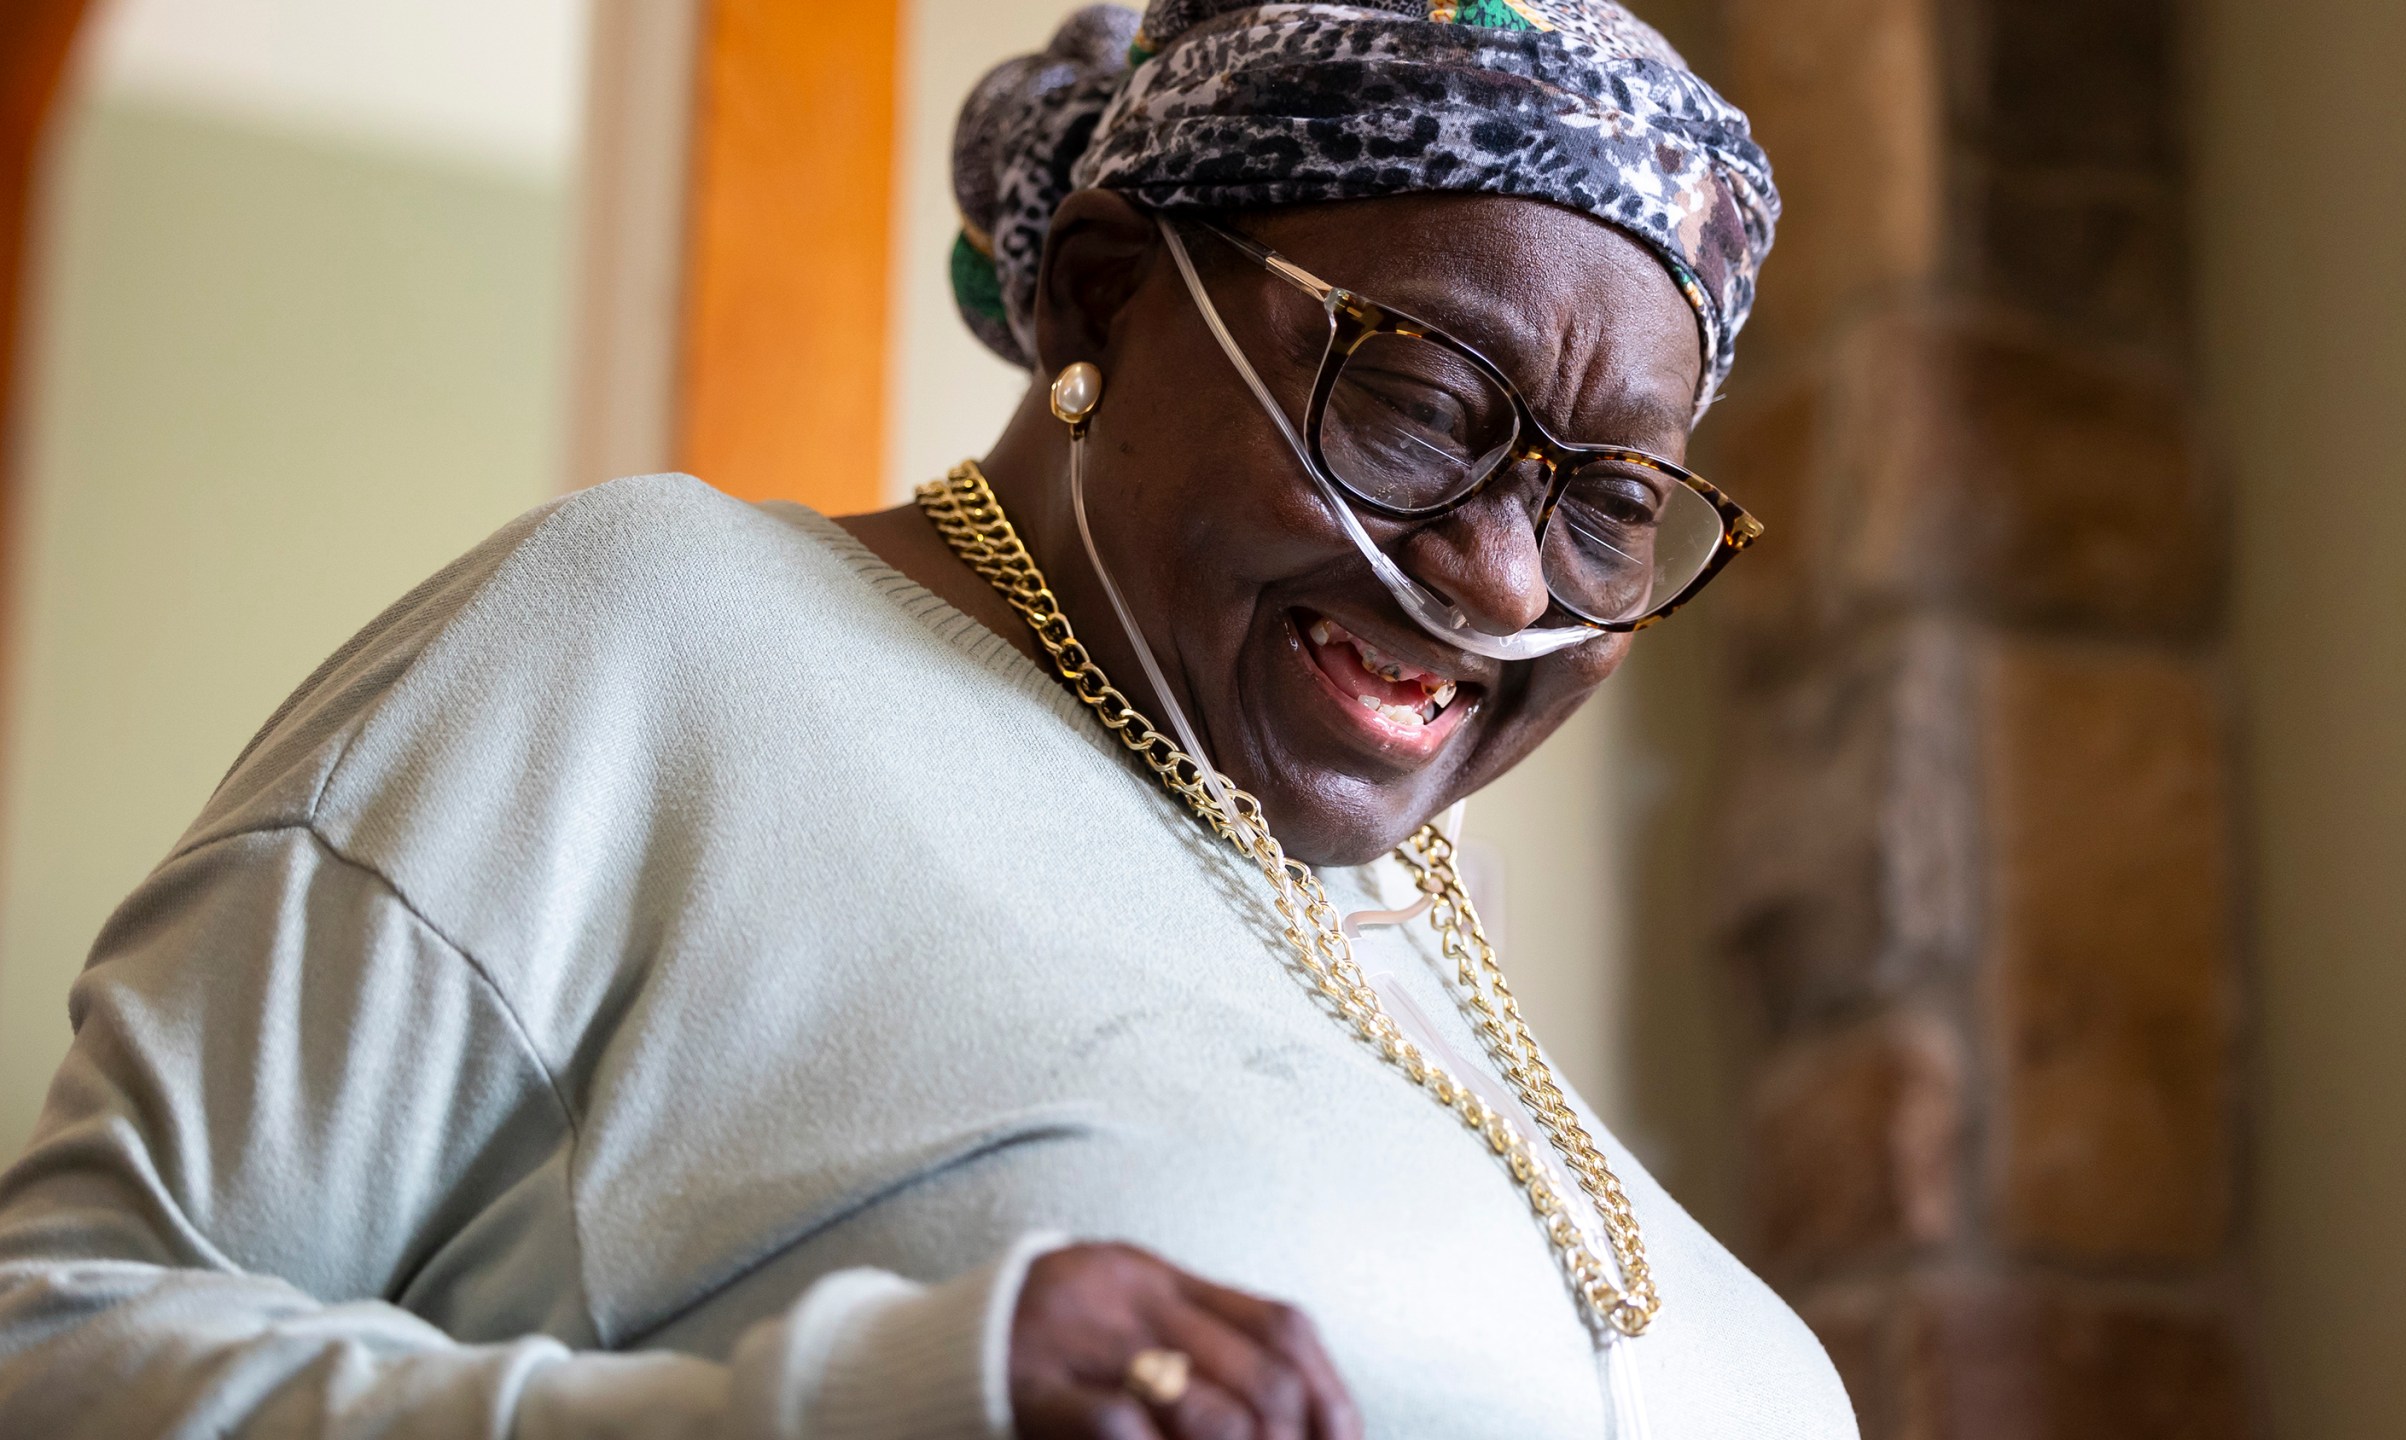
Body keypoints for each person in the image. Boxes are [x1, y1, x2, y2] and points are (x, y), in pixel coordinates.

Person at [0, 2, 1853, 1436]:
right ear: (1117, 294)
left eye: (1607, 505)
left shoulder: (1400, 928)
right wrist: (843, 1403)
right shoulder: (662, 636)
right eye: (1423, 399)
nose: (1509, 583)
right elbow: (52, 1350)